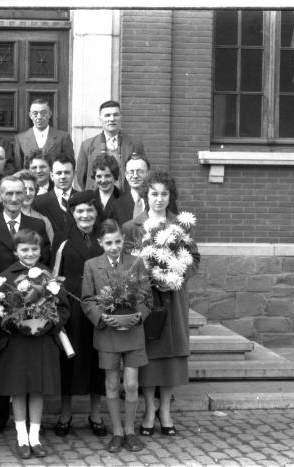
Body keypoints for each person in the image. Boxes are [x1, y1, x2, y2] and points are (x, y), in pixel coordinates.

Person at [123, 170, 200, 437]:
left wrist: (176, 275)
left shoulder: (179, 225)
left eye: (164, 194)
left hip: (173, 297)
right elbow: (125, 264)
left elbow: (194, 259)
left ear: (170, 197)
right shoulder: (132, 227)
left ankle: (165, 408)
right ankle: (149, 409)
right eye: (154, 193)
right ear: (145, 196)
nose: (159, 199)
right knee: (149, 354)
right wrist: (145, 276)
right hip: (146, 301)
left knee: (170, 353)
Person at [0, 176, 51, 436]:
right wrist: (3, 287)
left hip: (35, 307)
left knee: (29, 363)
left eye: (20, 193)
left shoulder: (36, 224)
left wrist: (36, 291)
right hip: (0, 306)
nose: (15, 198)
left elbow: (46, 265)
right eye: (9, 194)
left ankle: (32, 423)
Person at [0, 229, 69, 459]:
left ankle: (35, 437)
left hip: (41, 340)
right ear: (15, 251)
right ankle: (21, 437)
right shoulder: (5, 278)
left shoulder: (48, 276)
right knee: (18, 389)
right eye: (24, 249)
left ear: (40, 250)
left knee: (37, 388)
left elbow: (63, 308)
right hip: (16, 341)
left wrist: (49, 325)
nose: (30, 253)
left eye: (34, 248)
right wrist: (14, 323)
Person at [81, 219, 150, 453]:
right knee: (111, 383)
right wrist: (101, 317)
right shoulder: (91, 265)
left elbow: (146, 296)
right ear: (100, 242)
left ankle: (130, 431)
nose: (114, 246)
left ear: (123, 240)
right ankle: (117, 432)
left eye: (118, 241)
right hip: (107, 332)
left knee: (131, 384)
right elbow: (87, 299)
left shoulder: (136, 262)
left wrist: (138, 316)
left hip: (133, 332)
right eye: (109, 242)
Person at [50, 191, 107, 438]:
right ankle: (66, 413)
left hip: (99, 306)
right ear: (72, 214)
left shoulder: (104, 237)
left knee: (98, 361)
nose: (85, 215)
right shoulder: (62, 239)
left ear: (96, 213)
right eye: (80, 211)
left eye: (90, 210)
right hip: (71, 309)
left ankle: (95, 413)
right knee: (69, 361)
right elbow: (54, 276)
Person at [76, 100, 145, 192]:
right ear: (100, 118)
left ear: (120, 117)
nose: (112, 119)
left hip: (126, 197)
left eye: (115, 115)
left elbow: (143, 171)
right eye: (107, 115)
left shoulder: (135, 144)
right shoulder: (87, 145)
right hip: (97, 198)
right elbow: (81, 177)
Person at [109, 155, 178, 226]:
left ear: (148, 173)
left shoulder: (166, 202)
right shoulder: (116, 205)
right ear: (126, 175)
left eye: (140, 171)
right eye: (131, 172)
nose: (135, 176)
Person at [13, 99, 74, 170]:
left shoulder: (63, 137)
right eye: (35, 113)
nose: (39, 117)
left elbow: (69, 165)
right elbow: (18, 167)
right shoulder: (20, 139)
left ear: (49, 114)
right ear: (30, 115)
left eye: (43, 113)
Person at [31, 154, 77, 233]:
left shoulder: (84, 200)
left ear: (74, 174)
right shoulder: (38, 203)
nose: (63, 176)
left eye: (67, 172)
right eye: (59, 173)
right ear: (52, 175)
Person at [13, 170, 54, 244]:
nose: (28, 194)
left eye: (31, 189)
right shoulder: (7, 218)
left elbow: (51, 248)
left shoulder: (44, 221)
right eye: (24, 189)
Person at [90, 154, 122, 219]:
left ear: (115, 176)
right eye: (99, 176)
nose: (103, 180)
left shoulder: (123, 198)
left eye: (107, 176)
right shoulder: (89, 199)